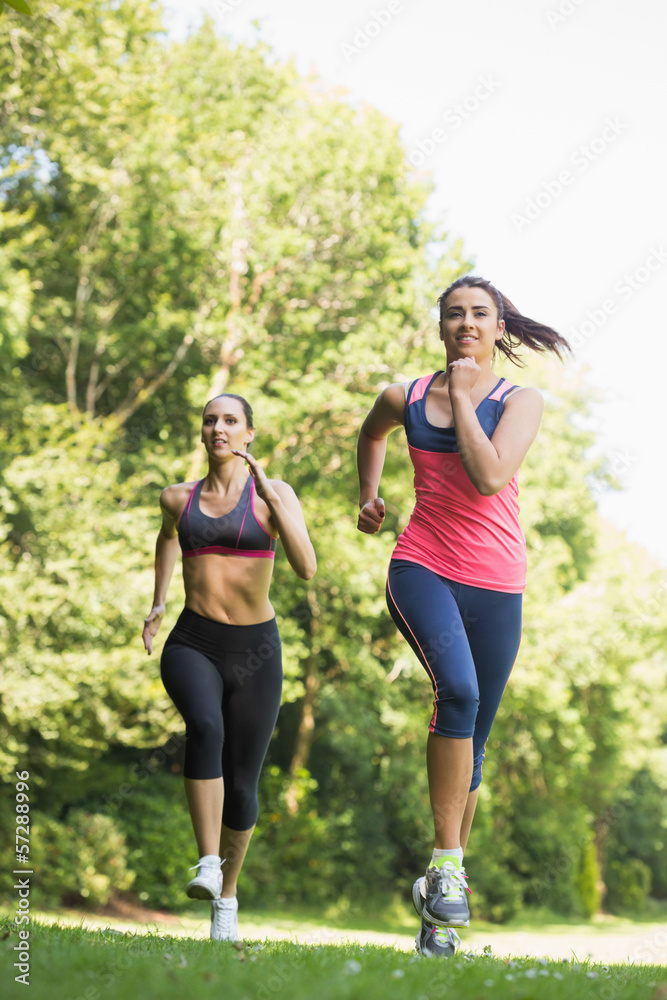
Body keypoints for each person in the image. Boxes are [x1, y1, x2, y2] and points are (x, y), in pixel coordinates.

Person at [356, 275, 570, 958]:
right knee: (459, 690)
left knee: (471, 745)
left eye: (480, 314)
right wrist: (369, 495)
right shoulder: (407, 398)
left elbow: (487, 476)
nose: (467, 324)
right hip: (422, 567)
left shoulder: (520, 401)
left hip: (498, 585)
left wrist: (469, 398)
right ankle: (447, 864)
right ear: (440, 327)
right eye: (454, 314)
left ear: (499, 327)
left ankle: (437, 915)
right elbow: (372, 433)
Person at [142, 392, 316, 942]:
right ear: (202, 433)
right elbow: (167, 540)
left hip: (255, 651)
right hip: (192, 640)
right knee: (205, 726)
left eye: (230, 421)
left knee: (244, 786)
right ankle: (208, 862)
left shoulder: (275, 494)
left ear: (249, 435)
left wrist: (272, 498)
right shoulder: (177, 498)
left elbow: (307, 568)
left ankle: (228, 898)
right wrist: (158, 600)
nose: (219, 428)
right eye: (211, 420)